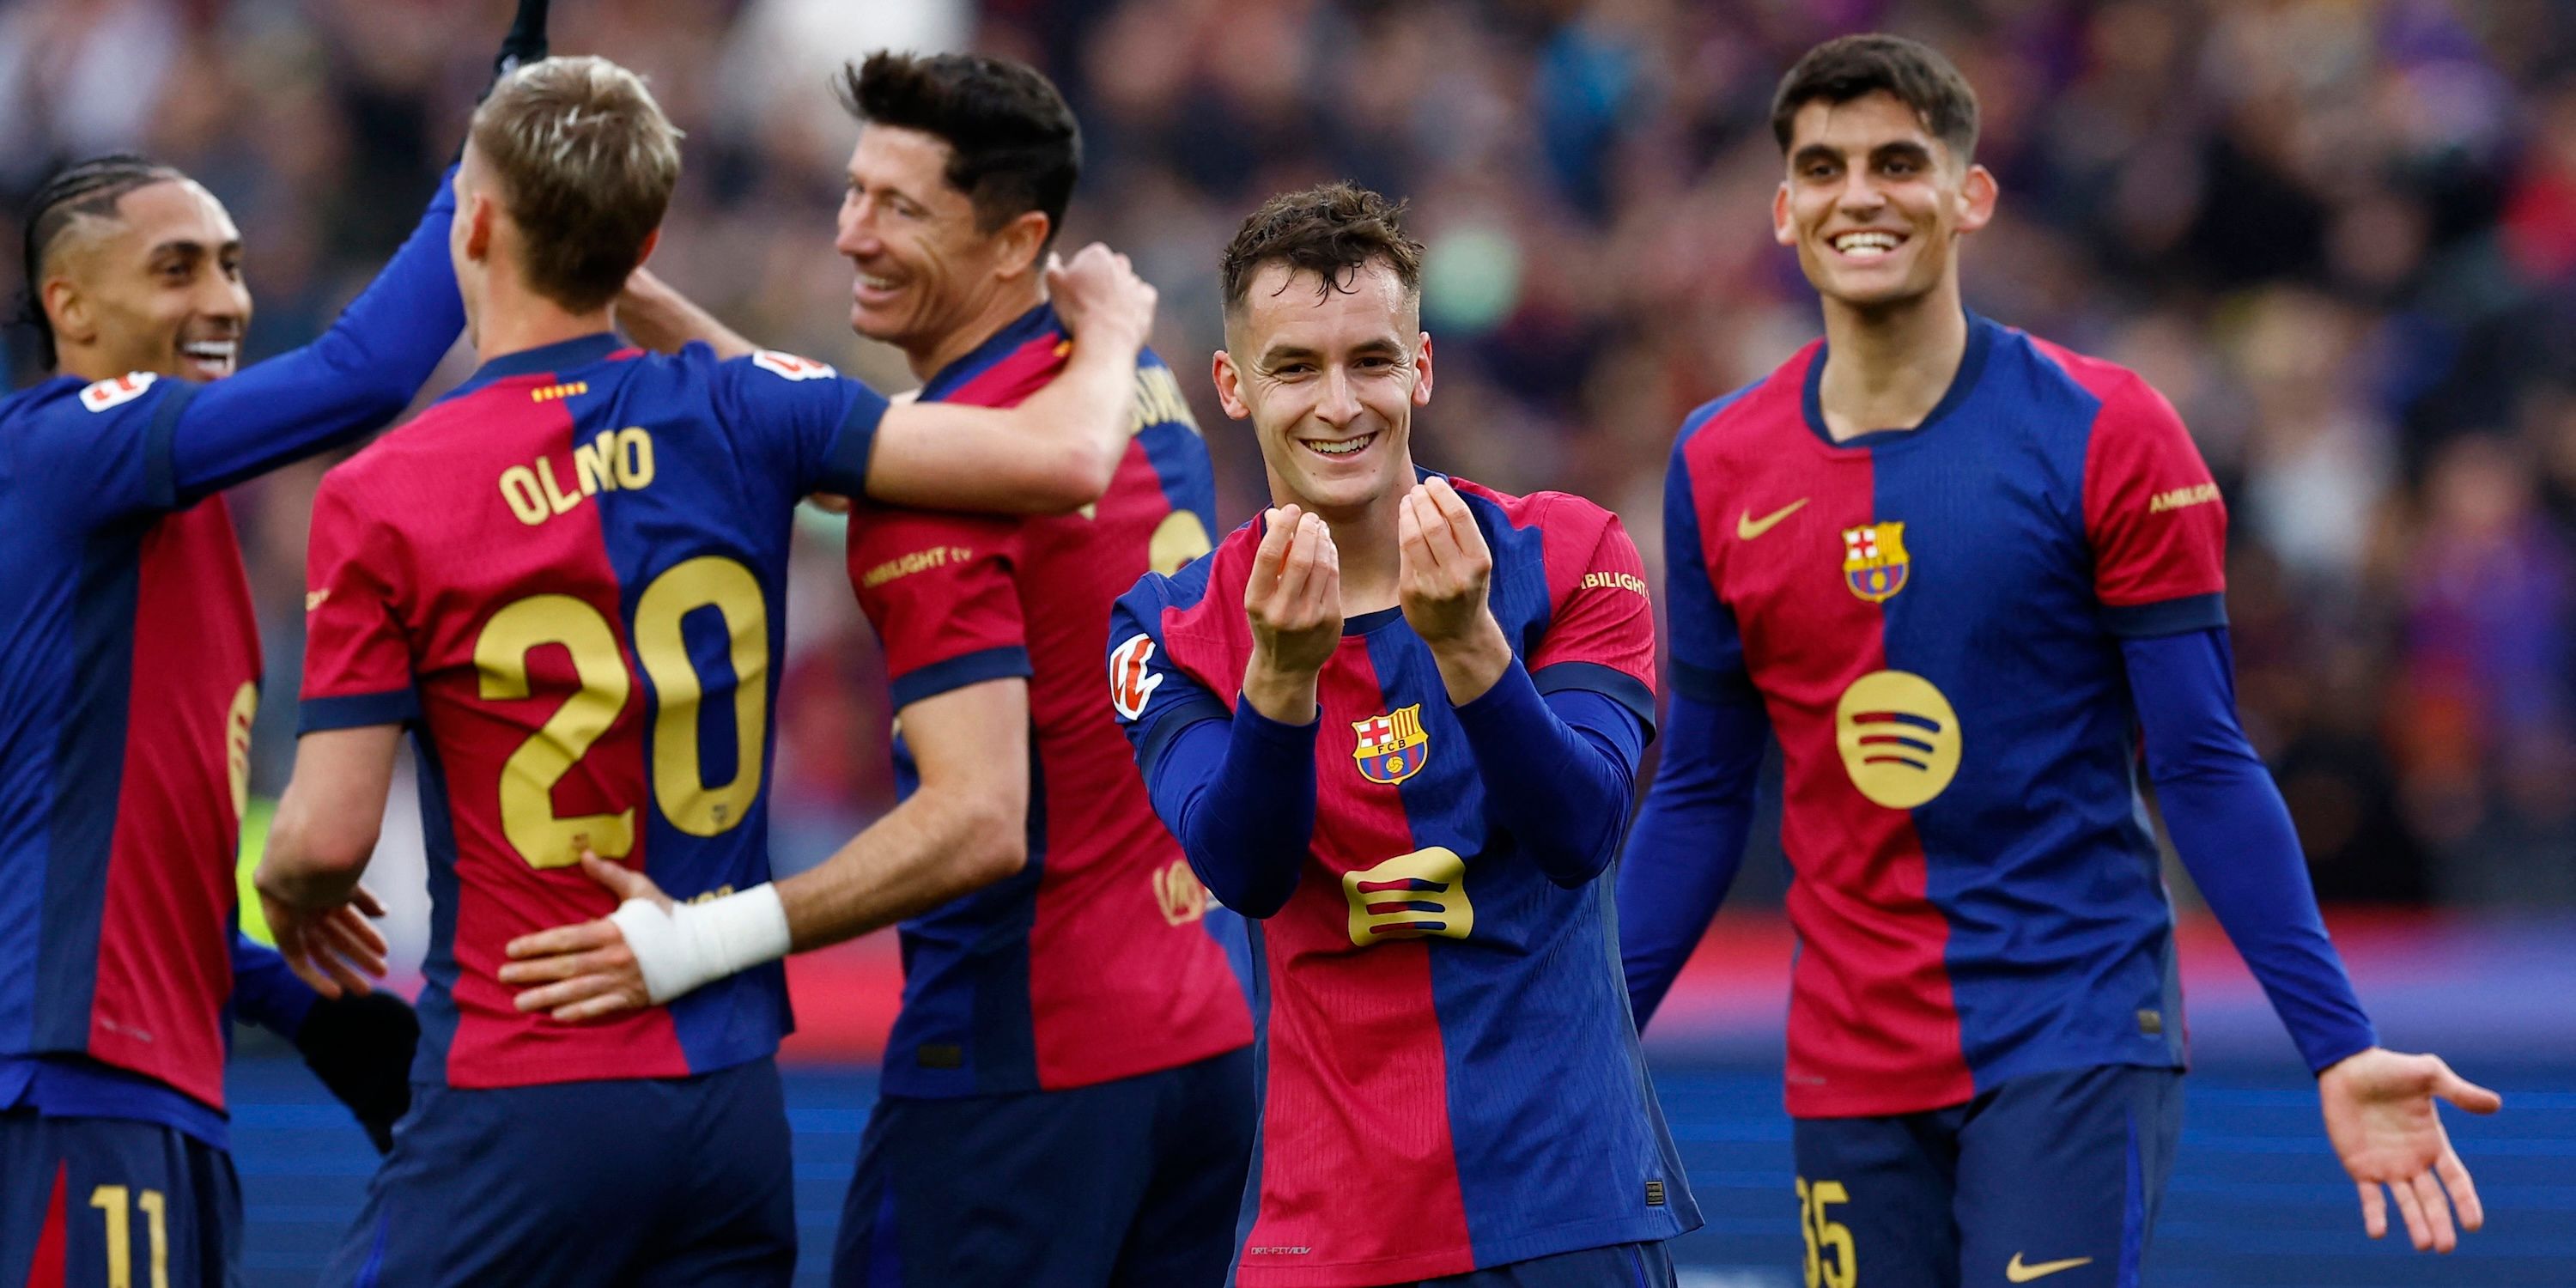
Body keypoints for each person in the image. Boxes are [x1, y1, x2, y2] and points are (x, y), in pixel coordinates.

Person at [248, 53, 1159, 1286]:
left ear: (472, 224)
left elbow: (324, 837)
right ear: (648, 238)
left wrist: (295, 890)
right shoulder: (753, 411)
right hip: (727, 1099)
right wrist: (1109, 335)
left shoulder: (383, 491)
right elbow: (1056, 462)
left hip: (521, 1084)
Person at [1615, 33, 2501, 1288]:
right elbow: (1703, 791)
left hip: (2072, 1028)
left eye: (1897, 162)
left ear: (1970, 195)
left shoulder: (2108, 430)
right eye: (1822, 167)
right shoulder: (1718, 463)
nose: (1858, 194)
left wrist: (2337, 1042)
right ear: (1782, 209)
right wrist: (1591, 1048)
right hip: (1847, 1056)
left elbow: (2200, 760)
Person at [498, 51, 1255, 1287]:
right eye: (853, 193)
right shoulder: (1130, 385)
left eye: (899, 208)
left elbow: (976, 823)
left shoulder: (939, 505)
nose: (852, 233)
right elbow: (851, 438)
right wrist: (624, 286)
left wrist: (697, 941)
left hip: (1025, 1066)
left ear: (1016, 243)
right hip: (1205, 1033)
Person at [0, 0, 555, 1268]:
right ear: (69, 308)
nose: (227, 299)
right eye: (178, 266)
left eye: (235, 264)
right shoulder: (68, 443)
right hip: (65, 1094)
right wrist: (489, 148)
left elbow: (99, 860)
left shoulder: (167, 531)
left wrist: (299, 1007)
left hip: (154, 1092)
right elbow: (359, 378)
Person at [1103, 183, 1698, 1288]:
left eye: (1371, 360)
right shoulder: (1167, 626)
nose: (1340, 402)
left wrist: (1469, 646)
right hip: (1324, 1234)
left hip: (1566, 1211)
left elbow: (1583, 830)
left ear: (1421, 368)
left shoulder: (1571, 552)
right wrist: (1281, 680)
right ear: (1233, 386)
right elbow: (1244, 868)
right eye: (1294, 367)